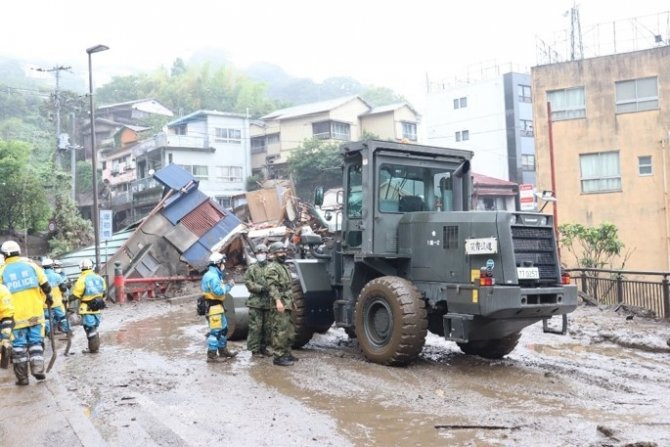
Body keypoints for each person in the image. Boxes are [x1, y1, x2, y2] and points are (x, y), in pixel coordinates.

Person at [0, 240, 53, 385]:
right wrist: (49, 297)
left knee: (18, 347)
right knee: (36, 342)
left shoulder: (2, 271)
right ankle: (38, 369)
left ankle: (22, 378)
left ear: (4, 255)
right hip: (35, 313)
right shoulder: (32, 266)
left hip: (15, 318)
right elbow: (46, 286)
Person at [201, 252, 237, 363]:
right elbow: (218, 291)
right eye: (222, 263)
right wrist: (229, 286)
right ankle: (211, 356)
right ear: (217, 263)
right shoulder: (212, 276)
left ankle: (223, 351)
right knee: (215, 331)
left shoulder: (214, 274)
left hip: (218, 307)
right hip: (213, 308)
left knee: (223, 330)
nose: (223, 265)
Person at [266, 242, 297, 366]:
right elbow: (272, 286)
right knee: (280, 330)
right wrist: (278, 301)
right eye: (280, 252)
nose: (283, 254)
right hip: (279, 302)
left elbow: (289, 287)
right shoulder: (272, 267)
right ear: (274, 254)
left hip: (287, 301)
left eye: (284, 251)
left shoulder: (283, 266)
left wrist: (293, 302)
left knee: (289, 330)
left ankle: (287, 353)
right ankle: (278, 356)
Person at [71, 259, 106, 353]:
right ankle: (95, 346)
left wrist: (66, 300)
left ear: (81, 268)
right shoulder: (99, 278)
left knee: (89, 329)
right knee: (94, 327)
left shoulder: (82, 279)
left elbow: (75, 295)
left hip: (86, 308)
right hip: (98, 308)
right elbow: (104, 293)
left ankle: (93, 349)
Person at [244, 244, 272, 357]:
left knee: (267, 327)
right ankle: (254, 350)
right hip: (255, 303)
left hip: (268, 303)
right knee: (255, 327)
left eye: (263, 253)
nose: (261, 255)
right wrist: (260, 288)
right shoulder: (252, 268)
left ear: (267, 254)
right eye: (258, 253)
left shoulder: (272, 267)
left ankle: (263, 347)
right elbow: (248, 282)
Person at [41, 258, 71, 336]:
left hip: (46, 303)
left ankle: (49, 333)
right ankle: (68, 331)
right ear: (52, 266)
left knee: (47, 319)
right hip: (58, 302)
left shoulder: (40, 277)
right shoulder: (57, 276)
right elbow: (63, 288)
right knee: (63, 317)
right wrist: (65, 297)